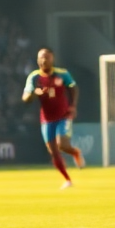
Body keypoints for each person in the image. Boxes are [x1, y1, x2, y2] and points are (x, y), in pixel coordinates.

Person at [22, 48, 84, 189]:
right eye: (41, 57)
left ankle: (75, 153)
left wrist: (73, 106)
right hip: (47, 119)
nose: (44, 60)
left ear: (52, 59)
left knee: (62, 144)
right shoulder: (34, 77)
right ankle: (68, 180)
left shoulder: (62, 74)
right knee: (53, 152)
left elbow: (74, 87)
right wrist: (31, 94)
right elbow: (25, 97)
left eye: (47, 57)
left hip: (63, 116)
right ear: (38, 60)